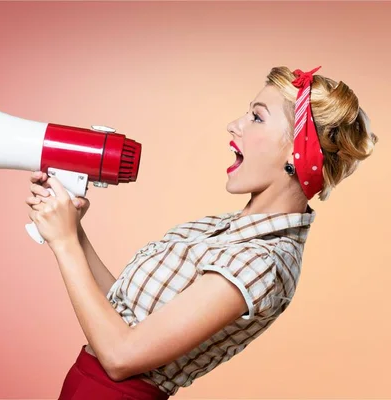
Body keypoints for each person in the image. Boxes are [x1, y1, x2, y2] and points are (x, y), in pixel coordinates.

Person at [25, 66, 378, 399]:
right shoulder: (221, 229)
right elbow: (126, 314)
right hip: (84, 384)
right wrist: (74, 228)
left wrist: (64, 243)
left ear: (296, 153)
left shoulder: (262, 261)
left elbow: (121, 357)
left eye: (256, 117)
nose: (233, 125)